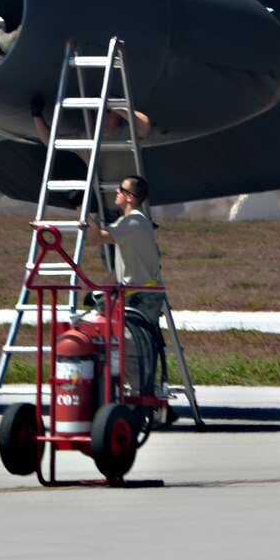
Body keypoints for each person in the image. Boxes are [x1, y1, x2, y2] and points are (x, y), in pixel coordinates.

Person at [84, 175, 170, 422]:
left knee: (135, 350)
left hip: (144, 297)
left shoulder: (134, 222)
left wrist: (82, 210)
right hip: (136, 294)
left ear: (130, 197)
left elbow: (94, 238)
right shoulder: (130, 222)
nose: (116, 193)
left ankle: (142, 405)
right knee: (134, 349)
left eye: (120, 190)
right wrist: (100, 290)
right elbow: (125, 266)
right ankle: (143, 402)